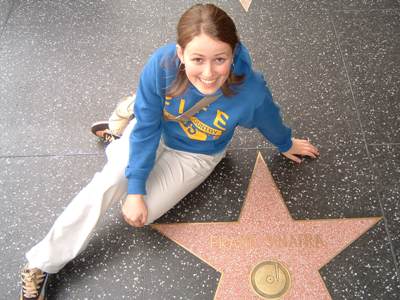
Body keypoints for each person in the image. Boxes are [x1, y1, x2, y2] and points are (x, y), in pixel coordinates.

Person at [19, 3, 319, 299]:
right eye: (197, 59)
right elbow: (148, 130)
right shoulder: (161, 65)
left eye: (220, 59)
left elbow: (269, 118)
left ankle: (126, 132)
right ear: (180, 54)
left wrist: (285, 143)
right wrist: (134, 188)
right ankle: (41, 263)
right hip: (156, 130)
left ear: (233, 53)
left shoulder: (250, 90)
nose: (209, 73)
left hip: (198, 155)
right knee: (108, 183)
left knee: (142, 214)